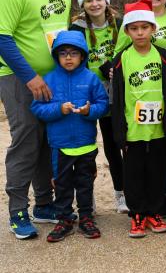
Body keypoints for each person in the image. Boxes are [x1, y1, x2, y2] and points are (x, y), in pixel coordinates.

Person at [0, 0, 69, 239]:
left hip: (52, 79)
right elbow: (3, 38)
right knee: (27, 141)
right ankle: (17, 211)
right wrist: (30, 76)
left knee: (47, 141)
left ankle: (43, 204)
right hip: (18, 77)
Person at [30, 31, 109, 242]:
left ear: (82, 56)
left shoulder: (91, 78)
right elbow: (37, 108)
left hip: (86, 144)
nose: (68, 57)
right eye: (63, 53)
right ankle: (64, 219)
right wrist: (59, 109)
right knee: (62, 184)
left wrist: (89, 111)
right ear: (56, 56)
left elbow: (103, 104)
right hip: (60, 145)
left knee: (85, 183)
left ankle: (86, 218)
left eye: (73, 53)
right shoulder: (49, 79)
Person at [109, 0, 166, 238]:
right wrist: (120, 130)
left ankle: (154, 211)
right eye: (134, 28)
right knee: (134, 173)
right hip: (133, 129)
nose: (140, 33)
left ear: (153, 28)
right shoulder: (121, 59)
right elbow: (116, 97)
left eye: (144, 27)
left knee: (157, 170)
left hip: (158, 129)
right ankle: (137, 213)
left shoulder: (165, 57)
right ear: (127, 31)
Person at [69, 0, 126, 214]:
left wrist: (115, 68)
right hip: (87, 92)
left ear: (106, 1)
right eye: (89, 0)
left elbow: (128, 53)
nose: (94, 4)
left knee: (114, 147)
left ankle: (121, 193)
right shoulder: (77, 28)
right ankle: (87, 197)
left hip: (113, 94)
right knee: (85, 148)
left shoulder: (119, 25)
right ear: (83, 5)